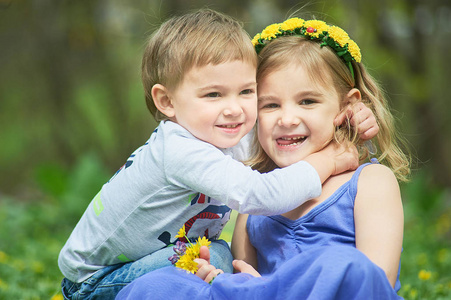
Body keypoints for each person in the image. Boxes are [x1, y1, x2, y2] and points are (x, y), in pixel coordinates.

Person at [58, 10, 378, 300]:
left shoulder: (225, 132)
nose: (234, 108)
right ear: (167, 101)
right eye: (213, 94)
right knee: (221, 259)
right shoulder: (180, 149)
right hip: (94, 280)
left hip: (160, 257)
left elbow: (292, 142)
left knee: (216, 261)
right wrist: (329, 161)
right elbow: (261, 194)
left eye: (246, 91)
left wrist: (352, 122)